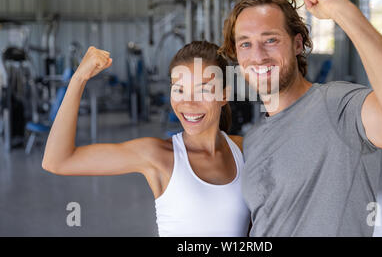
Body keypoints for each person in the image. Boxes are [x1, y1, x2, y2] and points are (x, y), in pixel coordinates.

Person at [218, 0, 382, 236]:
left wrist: (340, 7)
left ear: (297, 44)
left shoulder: (337, 107)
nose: (257, 56)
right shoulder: (253, 140)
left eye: (271, 40)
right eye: (245, 44)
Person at [42, 41, 250, 237]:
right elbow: (57, 160)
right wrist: (79, 78)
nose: (188, 102)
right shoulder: (158, 156)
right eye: (179, 89)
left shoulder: (243, 150)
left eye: (203, 90)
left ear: (224, 95)